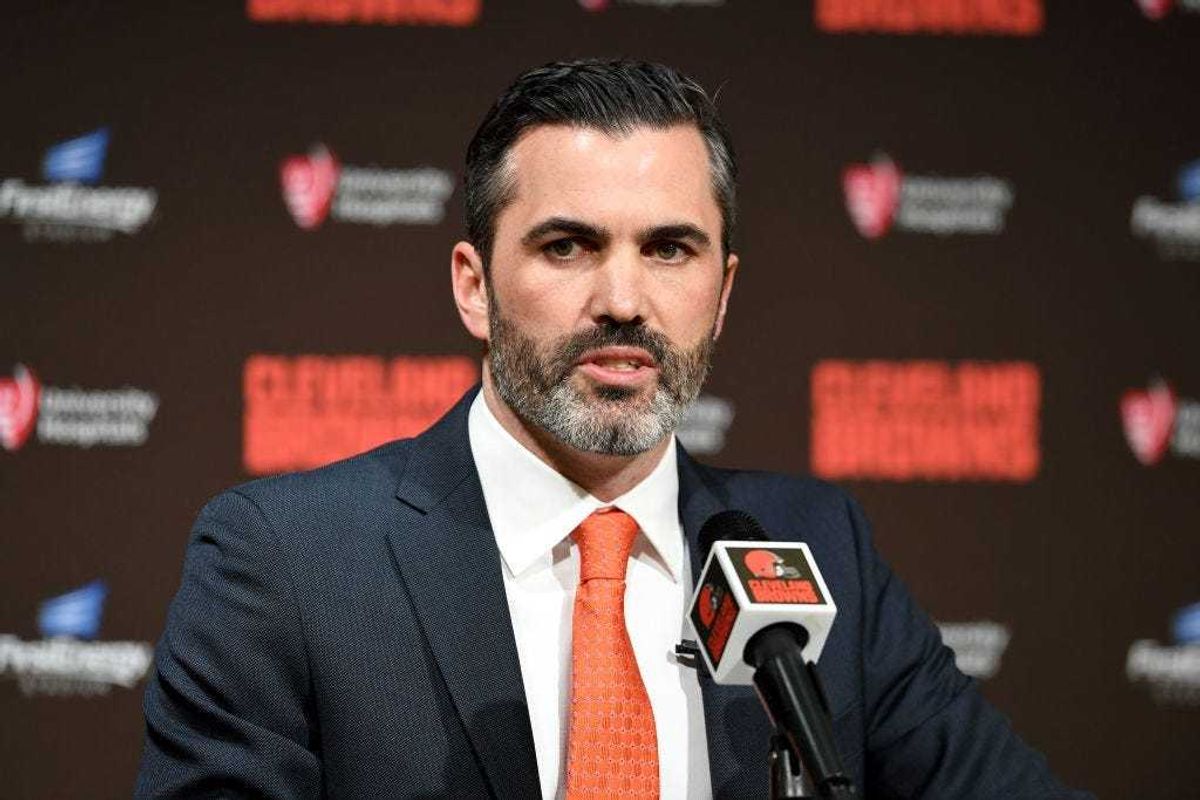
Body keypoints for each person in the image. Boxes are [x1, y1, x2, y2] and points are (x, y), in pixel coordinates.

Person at [135, 59, 1091, 799]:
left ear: (722, 293)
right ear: (474, 285)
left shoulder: (814, 545)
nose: (624, 300)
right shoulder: (287, 562)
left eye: (670, 249)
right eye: (568, 246)